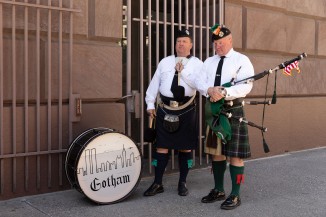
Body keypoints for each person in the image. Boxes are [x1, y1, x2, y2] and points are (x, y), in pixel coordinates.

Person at [144, 29, 218, 197]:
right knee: (161, 146)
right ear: (175, 44)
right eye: (178, 41)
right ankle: (157, 183)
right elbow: (155, 82)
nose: (181, 44)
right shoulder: (165, 62)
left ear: (191, 45)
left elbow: (200, 85)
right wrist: (150, 103)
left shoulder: (198, 64)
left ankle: (182, 182)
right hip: (164, 107)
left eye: (185, 41)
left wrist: (182, 71)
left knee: (185, 148)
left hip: (186, 109)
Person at [200, 24, 254, 210]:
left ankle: (235, 194)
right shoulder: (209, 62)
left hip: (233, 110)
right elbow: (200, 81)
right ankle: (219, 189)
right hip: (214, 112)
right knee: (217, 154)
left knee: (235, 156)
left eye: (221, 43)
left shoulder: (242, 60)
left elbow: (246, 86)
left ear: (230, 40)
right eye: (215, 43)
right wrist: (208, 89)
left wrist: (223, 91)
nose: (218, 47)